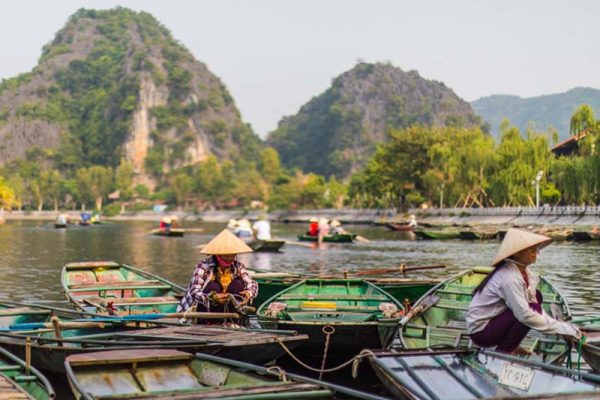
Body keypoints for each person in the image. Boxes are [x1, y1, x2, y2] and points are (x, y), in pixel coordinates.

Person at [466, 228, 581, 355]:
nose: (535, 253)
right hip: (481, 332)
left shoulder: (525, 272)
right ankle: (504, 351)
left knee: (537, 297)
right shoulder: (510, 277)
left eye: (535, 249)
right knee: (529, 310)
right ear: (516, 253)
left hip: (494, 322)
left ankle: (511, 345)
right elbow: (525, 315)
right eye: (530, 249)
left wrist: (559, 326)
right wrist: (563, 329)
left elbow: (535, 307)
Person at [177, 229, 258, 315]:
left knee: (238, 284)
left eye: (233, 255)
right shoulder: (204, 266)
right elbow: (194, 292)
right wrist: (213, 297)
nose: (231, 258)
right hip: (205, 311)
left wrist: (248, 293)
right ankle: (210, 322)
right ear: (217, 255)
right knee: (213, 286)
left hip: (229, 308)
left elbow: (252, 284)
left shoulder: (238, 266)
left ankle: (232, 319)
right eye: (227, 256)